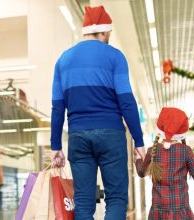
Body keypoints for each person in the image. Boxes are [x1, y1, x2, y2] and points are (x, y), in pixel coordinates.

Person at [50, 5, 146, 220]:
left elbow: (57, 107)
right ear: (104, 31)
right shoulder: (115, 57)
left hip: (78, 136)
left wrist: (55, 145)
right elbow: (126, 102)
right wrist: (139, 142)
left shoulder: (63, 60)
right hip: (111, 134)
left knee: (83, 201)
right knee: (116, 198)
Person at [135, 108, 194, 220]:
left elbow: (141, 172)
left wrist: (138, 159)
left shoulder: (153, 150)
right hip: (180, 212)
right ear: (182, 132)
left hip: (158, 213)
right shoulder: (185, 151)